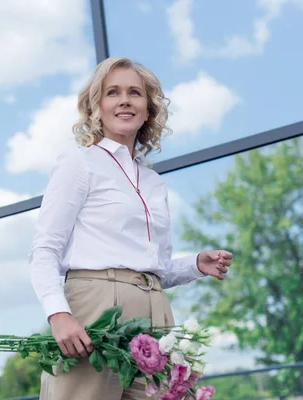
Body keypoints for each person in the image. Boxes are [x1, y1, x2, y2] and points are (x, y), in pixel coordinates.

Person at [29, 57, 233, 400]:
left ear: (148, 109)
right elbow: (44, 249)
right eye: (113, 92)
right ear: (97, 106)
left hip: (155, 312)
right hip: (94, 309)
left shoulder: (154, 183)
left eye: (135, 93)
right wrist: (58, 313)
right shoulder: (79, 164)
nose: (125, 100)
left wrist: (196, 264)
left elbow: (157, 267)